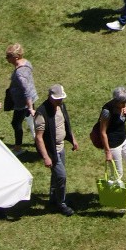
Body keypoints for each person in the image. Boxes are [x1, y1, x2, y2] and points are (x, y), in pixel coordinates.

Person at [34, 84, 77, 215]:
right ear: (50, 97)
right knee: (61, 176)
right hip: (52, 151)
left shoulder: (61, 106)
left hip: (61, 147)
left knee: (57, 176)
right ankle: (61, 203)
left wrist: (73, 139)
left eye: (61, 98)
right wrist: (46, 157)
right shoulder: (42, 113)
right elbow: (39, 138)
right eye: (57, 99)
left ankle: (53, 198)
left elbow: (65, 123)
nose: (60, 101)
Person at [4, 44, 37, 151]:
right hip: (31, 98)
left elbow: (26, 91)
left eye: (9, 56)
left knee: (16, 123)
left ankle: (18, 146)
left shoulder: (20, 73)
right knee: (31, 121)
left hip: (23, 103)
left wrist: (30, 107)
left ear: (16, 57)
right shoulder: (26, 62)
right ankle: (38, 141)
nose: (7, 59)